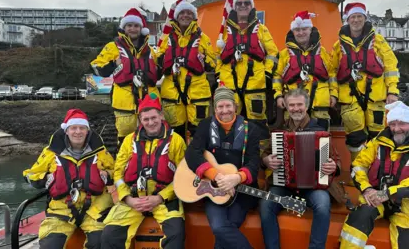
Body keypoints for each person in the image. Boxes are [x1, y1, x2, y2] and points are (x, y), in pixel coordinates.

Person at [339, 101, 409, 249]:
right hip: (374, 198)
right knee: (357, 220)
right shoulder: (377, 142)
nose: (396, 129)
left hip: (407, 207)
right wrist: (367, 189)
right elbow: (358, 166)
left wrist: (388, 193)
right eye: (392, 124)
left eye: (402, 124)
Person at [100, 93, 186, 249]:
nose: (150, 122)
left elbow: (183, 176)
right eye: (146, 119)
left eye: (154, 118)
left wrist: (160, 197)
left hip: (164, 199)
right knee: (109, 235)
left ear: (161, 116)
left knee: (176, 233)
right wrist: (128, 199)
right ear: (140, 120)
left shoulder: (177, 141)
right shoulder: (128, 140)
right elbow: (118, 174)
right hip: (133, 199)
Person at [260, 88, 340, 249]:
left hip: (313, 187)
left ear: (307, 106)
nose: (296, 108)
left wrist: (334, 167)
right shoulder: (279, 131)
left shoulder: (320, 131)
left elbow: (336, 160)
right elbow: (265, 154)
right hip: (284, 185)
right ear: (287, 107)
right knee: (266, 205)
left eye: (299, 104)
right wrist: (266, 160)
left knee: (323, 205)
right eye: (292, 105)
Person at [23, 109, 115, 248]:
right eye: (74, 128)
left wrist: (107, 175)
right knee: (50, 245)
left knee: (102, 242)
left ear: (87, 130)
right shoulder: (50, 152)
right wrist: (45, 178)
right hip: (61, 211)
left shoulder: (100, 151)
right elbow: (30, 174)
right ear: (66, 130)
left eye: (82, 128)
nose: (78, 132)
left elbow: (116, 171)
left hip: (96, 209)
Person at [185, 83, 262, 249]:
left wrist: (237, 177)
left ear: (235, 106)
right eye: (220, 106)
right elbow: (192, 153)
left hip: (242, 192)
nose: (225, 110)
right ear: (215, 108)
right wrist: (214, 175)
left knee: (227, 228)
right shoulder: (205, 126)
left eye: (228, 105)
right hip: (214, 189)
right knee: (220, 227)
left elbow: (254, 162)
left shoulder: (251, 130)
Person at [330, 2, 400, 161]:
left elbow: (391, 66)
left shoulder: (379, 41)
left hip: (376, 98)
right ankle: (358, 171)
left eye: (359, 16)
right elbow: (332, 72)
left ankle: (378, 171)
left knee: (379, 136)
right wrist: (333, 94)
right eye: (353, 17)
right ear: (348, 20)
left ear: (364, 18)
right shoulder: (338, 46)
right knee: (355, 138)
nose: (356, 20)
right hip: (350, 99)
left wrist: (392, 91)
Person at [90, 8, 161, 151]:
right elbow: (97, 67)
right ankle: (126, 169)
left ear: (141, 28)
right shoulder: (113, 47)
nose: (133, 29)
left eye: (136, 26)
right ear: (124, 27)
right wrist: (113, 64)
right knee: (125, 140)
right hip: (124, 103)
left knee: (153, 139)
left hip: (149, 101)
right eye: (129, 25)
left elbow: (158, 73)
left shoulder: (151, 50)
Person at [215, 0, 279, 141]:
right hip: (230, 85)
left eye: (246, 3)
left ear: (252, 7)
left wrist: (267, 73)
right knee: (228, 123)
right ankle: (231, 157)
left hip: (255, 84)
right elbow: (218, 56)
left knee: (258, 124)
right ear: (234, 7)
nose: (243, 6)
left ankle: (260, 158)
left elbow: (273, 53)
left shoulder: (261, 30)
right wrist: (219, 75)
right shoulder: (224, 32)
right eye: (239, 3)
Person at [157, 0, 216, 142]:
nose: (185, 15)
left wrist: (203, 59)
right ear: (176, 16)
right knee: (175, 133)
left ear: (194, 16)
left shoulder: (203, 38)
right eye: (182, 12)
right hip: (172, 91)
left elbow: (213, 63)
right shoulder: (167, 39)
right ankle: (177, 159)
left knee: (199, 130)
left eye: (189, 13)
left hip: (197, 91)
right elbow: (158, 62)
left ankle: (197, 160)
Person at [274, 11, 335, 131]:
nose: (301, 33)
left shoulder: (323, 53)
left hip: (320, 105)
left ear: (310, 30)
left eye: (304, 29)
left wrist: (334, 94)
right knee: (292, 141)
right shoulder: (284, 54)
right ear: (293, 32)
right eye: (297, 30)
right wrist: (278, 96)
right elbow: (277, 76)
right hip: (294, 105)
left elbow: (332, 74)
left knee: (322, 141)